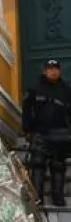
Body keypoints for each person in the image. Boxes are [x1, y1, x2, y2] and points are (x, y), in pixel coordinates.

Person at [23, 59, 71, 206]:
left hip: (61, 133)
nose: (53, 71)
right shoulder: (34, 88)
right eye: (50, 69)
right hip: (39, 132)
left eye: (56, 69)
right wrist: (27, 129)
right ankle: (37, 197)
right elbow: (27, 110)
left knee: (58, 166)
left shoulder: (66, 89)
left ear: (60, 71)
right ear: (44, 71)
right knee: (38, 165)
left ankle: (58, 198)